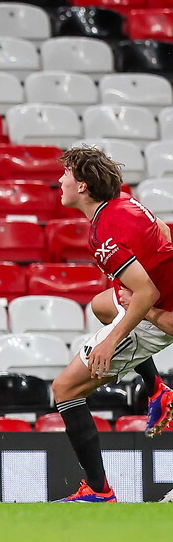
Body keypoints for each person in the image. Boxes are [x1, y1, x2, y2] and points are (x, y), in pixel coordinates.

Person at [51, 146, 173, 503]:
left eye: (67, 175)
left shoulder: (102, 233)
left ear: (83, 186)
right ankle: (156, 388)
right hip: (159, 301)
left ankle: (98, 491)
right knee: (102, 304)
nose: (60, 181)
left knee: (65, 390)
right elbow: (163, 232)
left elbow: (146, 292)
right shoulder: (126, 203)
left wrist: (116, 337)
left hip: (157, 317)